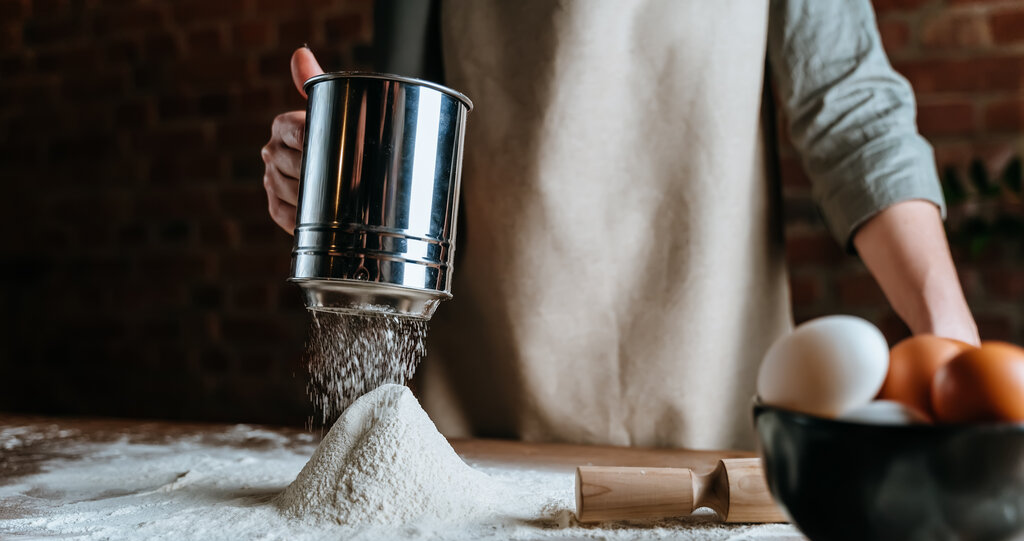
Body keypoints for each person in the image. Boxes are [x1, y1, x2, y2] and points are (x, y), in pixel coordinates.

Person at [262, 0, 979, 451]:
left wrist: (952, 348)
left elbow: (850, 109)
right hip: (489, 426)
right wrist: (341, 180)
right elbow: (413, 129)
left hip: (710, 418)